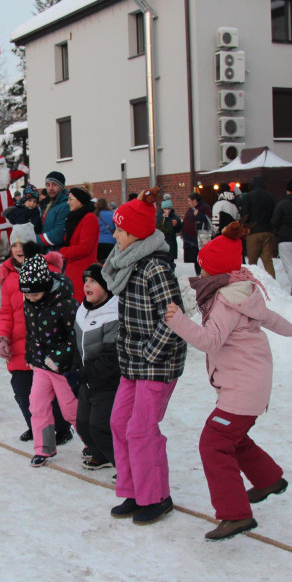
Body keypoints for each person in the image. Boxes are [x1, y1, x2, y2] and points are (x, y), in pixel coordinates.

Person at [164, 222, 292, 540]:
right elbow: (270, 318)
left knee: (213, 443)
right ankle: (268, 479)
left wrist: (177, 320)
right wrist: (290, 329)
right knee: (232, 438)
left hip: (242, 387)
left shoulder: (225, 300)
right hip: (251, 382)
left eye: (203, 266)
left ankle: (235, 515)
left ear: (211, 269)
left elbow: (210, 341)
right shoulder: (242, 292)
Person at [102, 187, 186, 525]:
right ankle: (134, 490)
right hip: (133, 362)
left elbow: (174, 316)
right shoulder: (125, 264)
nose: (115, 234)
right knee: (119, 422)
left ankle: (157, 497)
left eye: (120, 230)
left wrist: (150, 353)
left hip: (158, 361)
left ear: (136, 234)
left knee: (140, 429)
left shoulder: (155, 268)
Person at [0, 225, 70, 443]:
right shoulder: (7, 276)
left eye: (24, 244)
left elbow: (63, 309)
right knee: (22, 392)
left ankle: (62, 429)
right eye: (14, 245)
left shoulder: (50, 271)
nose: (19, 249)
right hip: (19, 347)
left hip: (45, 346)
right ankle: (38, 428)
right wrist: (2, 337)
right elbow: (5, 312)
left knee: (52, 394)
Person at [20, 250, 79, 467]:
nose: (30, 298)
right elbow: (31, 332)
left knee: (71, 409)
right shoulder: (29, 302)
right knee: (37, 405)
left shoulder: (66, 304)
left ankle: (94, 445)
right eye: (26, 294)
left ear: (45, 287)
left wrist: (57, 357)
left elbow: (76, 336)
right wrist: (30, 355)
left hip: (63, 368)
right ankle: (44, 447)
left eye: (34, 294)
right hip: (40, 365)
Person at [75, 264, 120, 471]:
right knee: (83, 424)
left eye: (93, 281)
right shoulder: (82, 310)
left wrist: (83, 374)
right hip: (87, 381)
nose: (87, 285)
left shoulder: (113, 315)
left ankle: (122, 464)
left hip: (107, 382)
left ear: (106, 285)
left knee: (100, 425)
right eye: (85, 280)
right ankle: (100, 454)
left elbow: (112, 358)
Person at [0, 156, 28, 264]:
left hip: (7, 199)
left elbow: (17, 174)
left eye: (3, 164)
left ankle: (14, 254)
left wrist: (22, 169)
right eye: (0, 164)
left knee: (11, 229)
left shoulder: (7, 172)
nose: (2, 166)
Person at [60, 187, 99, 302]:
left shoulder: (89, 218)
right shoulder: (74, 218)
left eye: (70, 199)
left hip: (82, 271)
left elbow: (85, 248)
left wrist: (63, 252)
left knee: (80, 304)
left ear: (79, 200)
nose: (68, 202)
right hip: (72, 270)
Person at [240, 177, 276, 278]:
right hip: (267, 231)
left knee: (252, 262)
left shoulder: (248, 196)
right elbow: (274, 213)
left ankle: (252, 282)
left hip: (253, 232)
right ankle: (273, 284)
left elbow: (244, 215)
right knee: (268, 260)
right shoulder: (270, 196)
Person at [37, 171, 70, 251]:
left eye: (54, 184)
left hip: (57, 254)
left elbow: (58, 234)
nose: (50, 188)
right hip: (45, 252)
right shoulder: (46, 204)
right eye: (48, 185)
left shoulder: (65, 205)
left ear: (61, 186)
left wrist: (33, 239)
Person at [181, 193, 212, 276]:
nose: (188, 203)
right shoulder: (192, 209)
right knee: (196, 259)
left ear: (194, 201)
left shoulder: (204, 207)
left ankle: (203, 274)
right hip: (193, 239)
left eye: (189, 201)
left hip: (201, 238)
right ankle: (199, 274)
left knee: (202, 258)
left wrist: (199, 215)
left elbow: (210, 219)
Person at [157, 197, 182, 272]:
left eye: (169, 208)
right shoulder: (159, 217)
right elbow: (157, 227)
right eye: (165, 208)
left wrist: (177, 224)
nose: (167, 210)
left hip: (171, 242)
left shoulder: (174, 217)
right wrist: (163, 219)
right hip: (162, 242)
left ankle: (171, 274)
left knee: (171, 261)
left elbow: (179, 229)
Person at [96, 197, 116, 262]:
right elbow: (116, 228)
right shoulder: (112, 214)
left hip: (98, 241)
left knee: (99, 263)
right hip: (111, 241)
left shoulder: (95, 215)